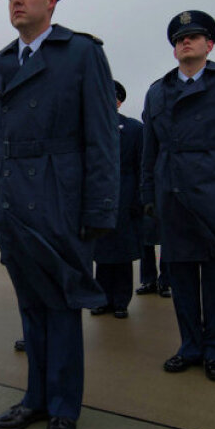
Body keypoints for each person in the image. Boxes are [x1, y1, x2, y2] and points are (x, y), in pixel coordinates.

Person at [0, 0, 118, 429]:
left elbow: (103, 140)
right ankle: (36, 397)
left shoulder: (81, 53)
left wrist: (99, 211)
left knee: (61, 308)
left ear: (51, 0)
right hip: (14, 204)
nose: (17, 0)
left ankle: (63, 408)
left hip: (62, 199)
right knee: (30, 306)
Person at [141, 10, 215, 383]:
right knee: (181, 279)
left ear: (210, 45)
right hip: (173, 194)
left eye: (193, 37)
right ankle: (190, 346)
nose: (185, 42)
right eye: (179, 39)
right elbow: (150, 149)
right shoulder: (157, 91)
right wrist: (147, 192)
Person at [91, 81, 142, 319]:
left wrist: (139, 200)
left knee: (121, 254)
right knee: (101, 254)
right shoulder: (90, 127)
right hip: (98, 197)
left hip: (125, 196)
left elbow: (141, 166)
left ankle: (121, 301)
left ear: (119, 101)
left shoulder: (133, 129)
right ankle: (101, 299)